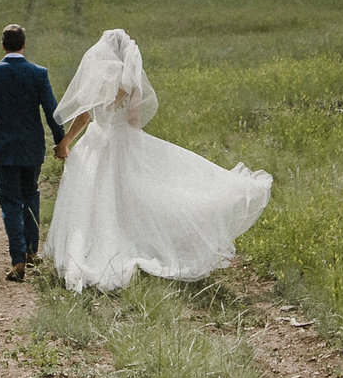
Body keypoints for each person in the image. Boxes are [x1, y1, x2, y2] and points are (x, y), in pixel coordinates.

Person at [46, 29, 271, 293]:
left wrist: (66, 142)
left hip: (96, 142)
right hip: (123, 141)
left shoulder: (98, 76)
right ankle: (134, 242)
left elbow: (84, 116)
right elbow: (134, 121)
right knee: (132, 194)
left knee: (92, 198)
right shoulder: (130, 80)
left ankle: (86, 250)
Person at [0, 22, 62, 282]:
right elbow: (52, 111)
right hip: (32, 146)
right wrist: (61, 142)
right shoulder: (38, 73)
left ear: (3, 45)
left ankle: (17, 258)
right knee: (30, 195)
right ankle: (31, 251)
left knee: (10, 202)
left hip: (3, 147)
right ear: (24, 45)